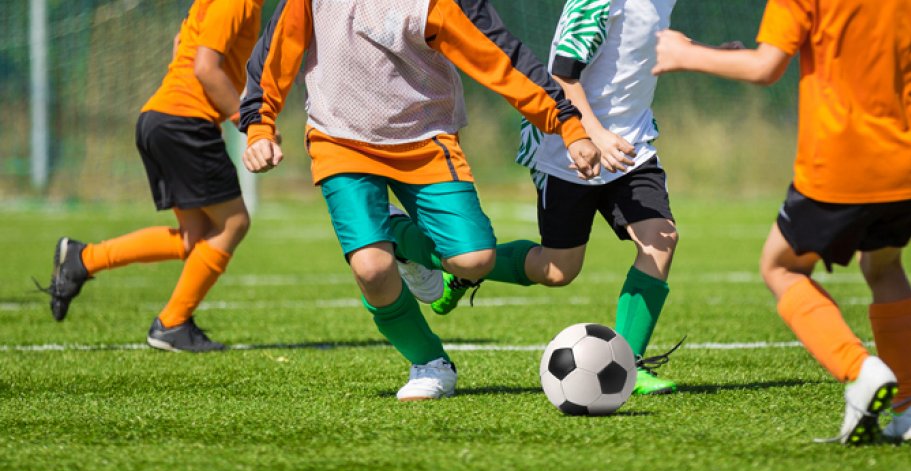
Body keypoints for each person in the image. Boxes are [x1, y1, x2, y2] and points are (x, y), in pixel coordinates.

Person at [238, 0, 601, 400]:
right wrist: (259, 124)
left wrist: (566, 124)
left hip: (428, 139)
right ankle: (430, 362)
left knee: (473, 261)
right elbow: (277, 51)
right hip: (338, 137)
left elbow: (499, 58)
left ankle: (397, 238)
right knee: (372, 269)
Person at [653, 0, 911, 444]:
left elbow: (765, 67)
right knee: (884, 267)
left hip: (839, 160)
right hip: (910, 157)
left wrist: (683, 53)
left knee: (780, 268)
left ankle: (860, 370)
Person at [425, 0, 684, 395]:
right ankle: (460, 265)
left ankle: (627, 366)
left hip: (631, 149)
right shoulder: (596, 3)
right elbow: (561, 75)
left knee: (660, 240)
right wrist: (593, 134)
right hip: (567, 149)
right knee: (558, 271)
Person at [40, 0, 263, 352]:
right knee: (234, 223)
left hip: (162, 117)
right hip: (182, 121)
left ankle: (83, 259)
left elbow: (180, 45)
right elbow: (206, 67)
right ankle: (172, 323)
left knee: (194, 238)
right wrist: (248, 123)